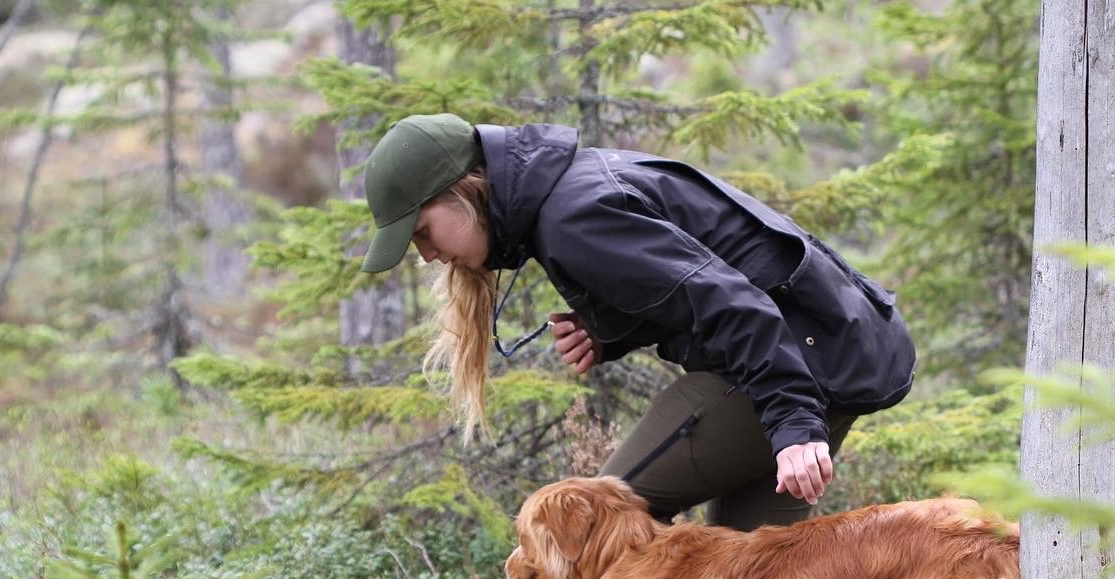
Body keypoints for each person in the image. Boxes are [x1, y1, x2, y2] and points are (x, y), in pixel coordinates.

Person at [359, 112, 915, 531]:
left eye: (423, 233)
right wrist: (611, 327)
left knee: (593, 524)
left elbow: (729, 300)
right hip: (828, 349)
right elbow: (694, 269)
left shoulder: (573, 218)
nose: (428, 255)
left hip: (795, 365)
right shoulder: (573, 189)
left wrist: (794, 424)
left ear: (466, 189)